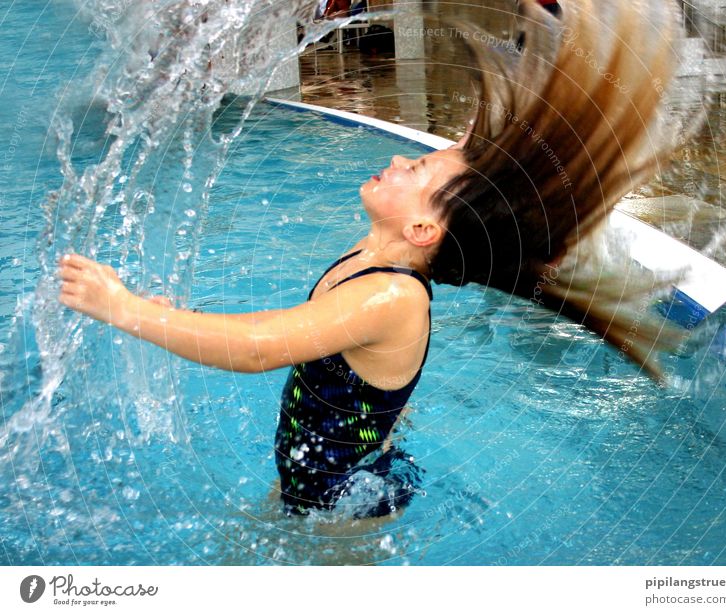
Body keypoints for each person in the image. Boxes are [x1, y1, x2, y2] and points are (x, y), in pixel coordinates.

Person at [57, 0, 684, 517]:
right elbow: (486, 157)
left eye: (412, 167)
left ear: (420, 228)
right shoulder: (378, 255)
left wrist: (125, 309)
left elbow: (254, 348)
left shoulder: (389, 296)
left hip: (349, 502)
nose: (395, 159)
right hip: (330, 464)